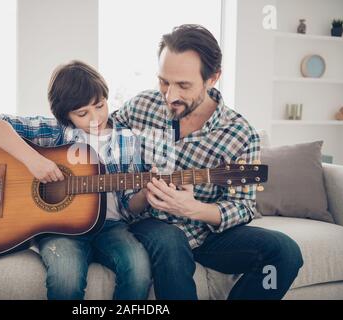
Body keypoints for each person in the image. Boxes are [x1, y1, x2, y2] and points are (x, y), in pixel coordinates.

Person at [114, 24, 303, 300]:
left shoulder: (240, 134)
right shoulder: (141, 106)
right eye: (164, 81)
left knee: (285, 252)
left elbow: (242, 206)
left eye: (183, 85)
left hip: (205, 232)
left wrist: (193, 209)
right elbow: (95, 138)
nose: (170, 95)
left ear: (213, 78)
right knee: (170, 240)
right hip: (150, 223)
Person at [0, 60, 151, 300]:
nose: (95, 117)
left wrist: (145, 194)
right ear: (66, 115)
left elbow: (130, 205)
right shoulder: (57, 131)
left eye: (100, 106)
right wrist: (33, 160)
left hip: (111, 227)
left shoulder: (126, 140)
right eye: (82, 113)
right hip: (61, 231)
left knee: (139, 270)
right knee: (66, 277)